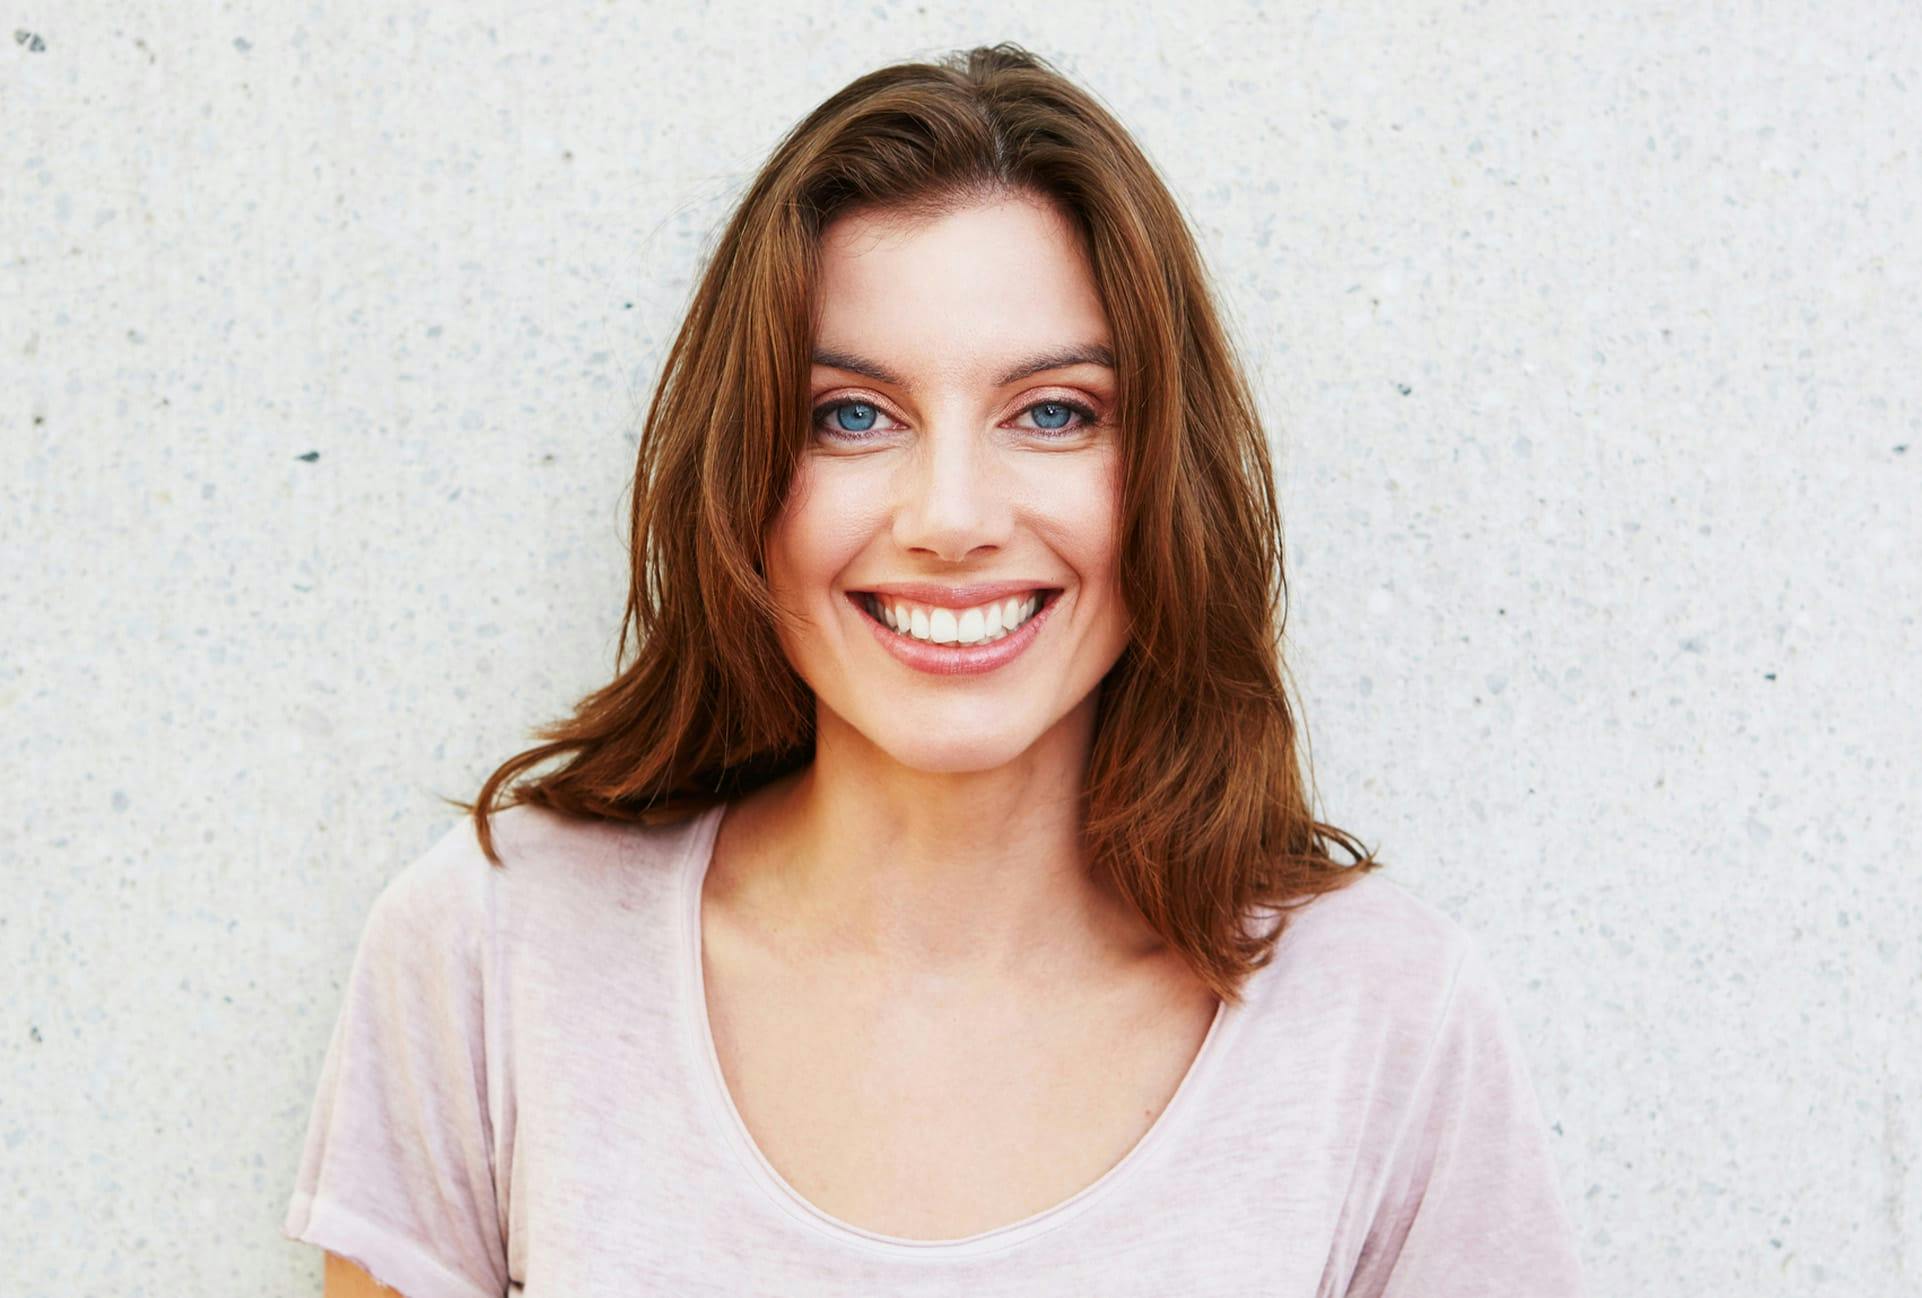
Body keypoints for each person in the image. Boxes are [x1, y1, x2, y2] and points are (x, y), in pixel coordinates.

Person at [282, 43, 1586, 1297]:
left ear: (1165, 479)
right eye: (850, 415)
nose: (950, 515)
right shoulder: (493, 950)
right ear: (745, 476)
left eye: (1054, 413)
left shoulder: (1387, 1019)